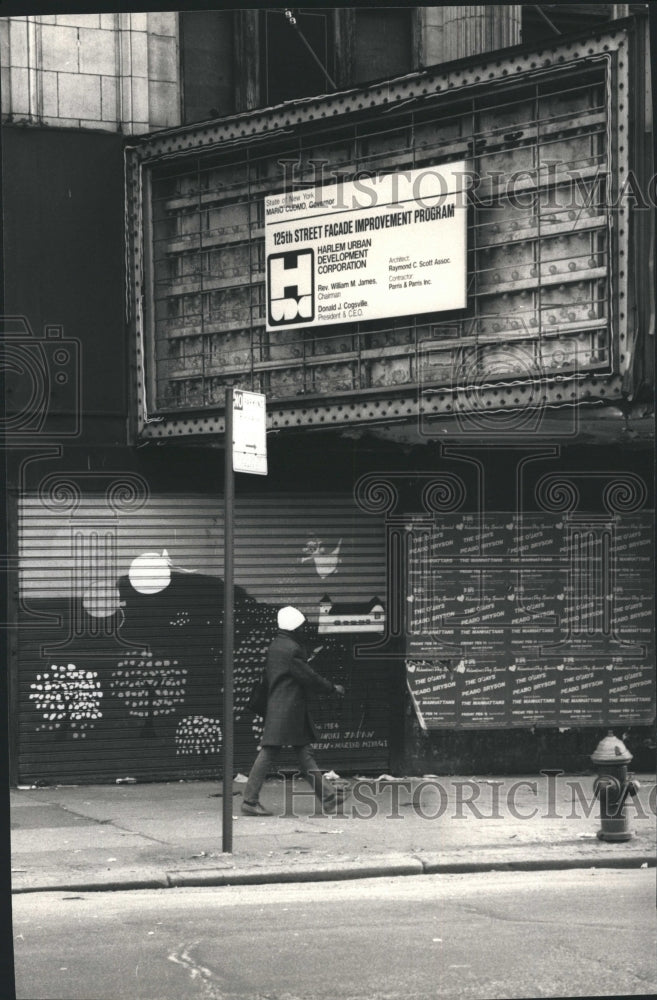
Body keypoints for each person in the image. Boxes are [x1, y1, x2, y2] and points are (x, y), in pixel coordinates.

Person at [241, 605, 346, 816]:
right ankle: (249, 801)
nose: (303, 629)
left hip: (284, 707)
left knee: (303, 753)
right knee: (270, 751)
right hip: (288, 710)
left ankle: (329, 798)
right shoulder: (291, 650)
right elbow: (309, 677)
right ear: (295, 627)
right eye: (301, 626)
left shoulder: (276, 645)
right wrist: (332, 688)